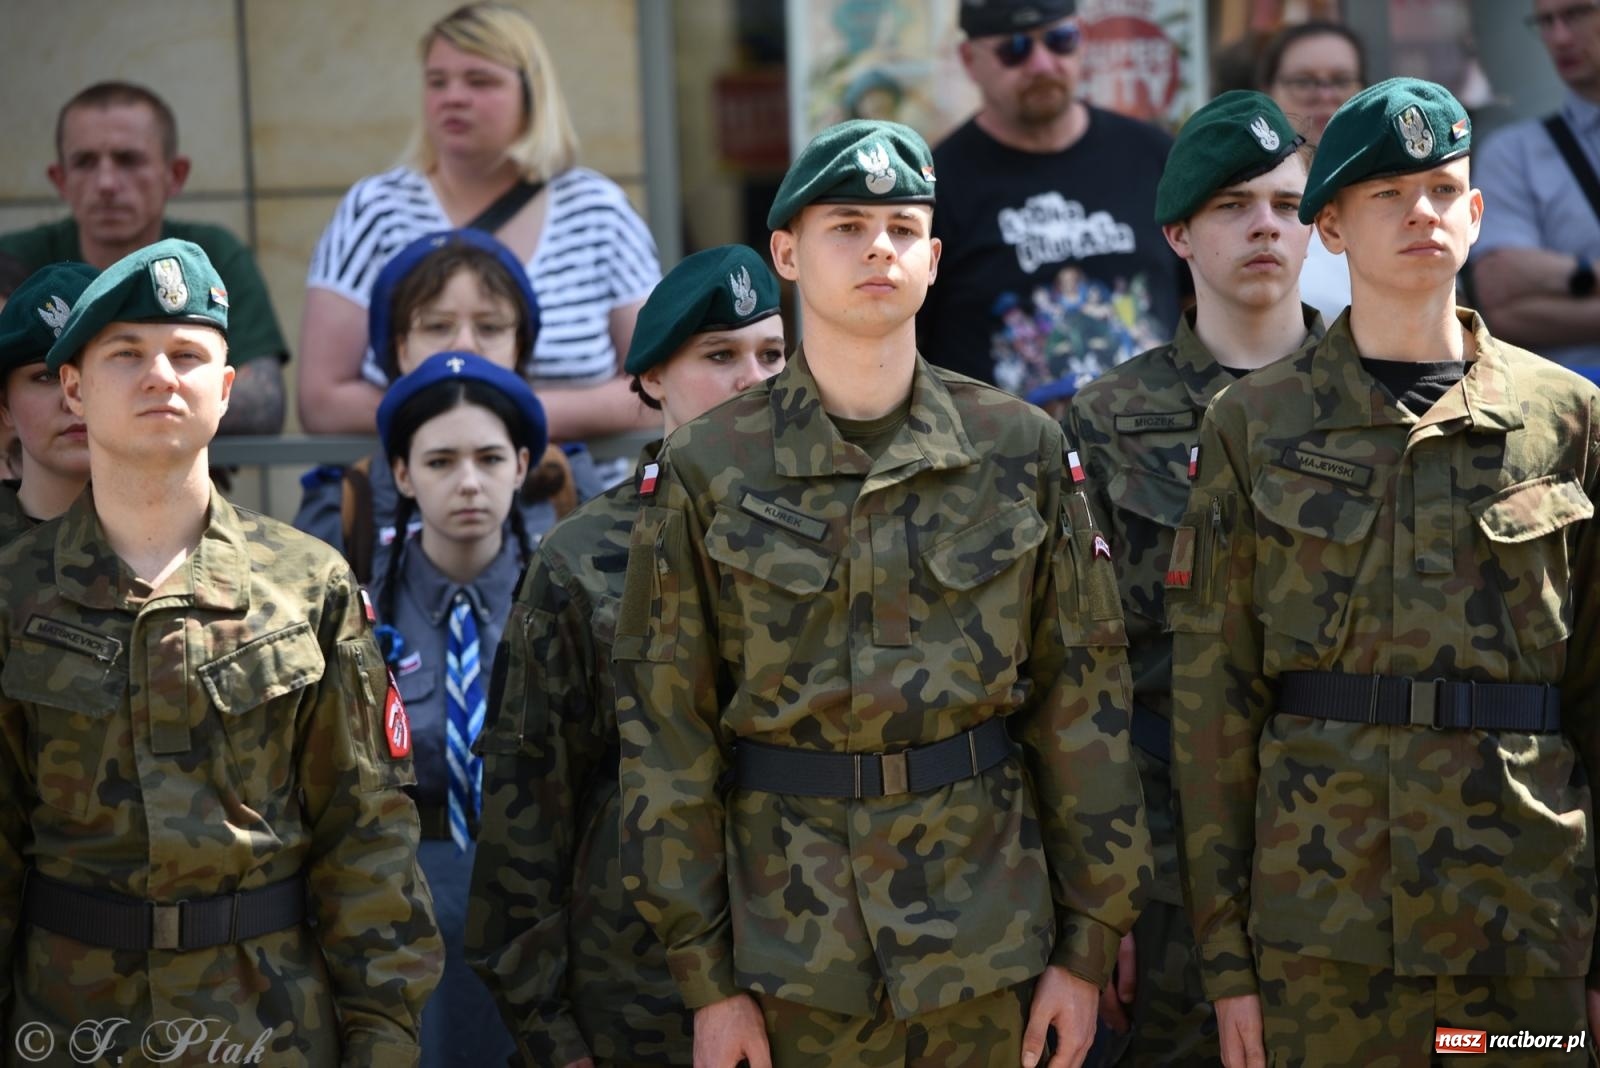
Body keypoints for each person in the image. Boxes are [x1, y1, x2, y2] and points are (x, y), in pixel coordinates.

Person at [614, 119, 1151, 1068]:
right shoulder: (707, 467)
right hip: (789, 957)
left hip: (988, 943)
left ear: (935, 259)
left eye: (903, 229)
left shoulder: (1018, 448)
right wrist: (709, 983)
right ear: (786, 251)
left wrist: (1086, 943)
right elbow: (668, 734)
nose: (878, 248)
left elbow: (1084, 706)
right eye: (847, 225)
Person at [1170, 78, 1600, 1067]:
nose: (1422, 214)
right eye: (1387, 196)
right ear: (1330, 227)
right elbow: (1213, 709)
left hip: (1521, 918)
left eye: (1444, 191)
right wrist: (1228, 970)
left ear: (1477, 214)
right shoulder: (1255, 427)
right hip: (1322, 928)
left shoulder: (1565, 419)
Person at [0, 238, 442, 1064]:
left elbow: (365, 832)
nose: (160, 376)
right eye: (125, 354)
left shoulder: (309, 586)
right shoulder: (13, 594)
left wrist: (382, 1036)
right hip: (66, 1026)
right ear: (74, 387)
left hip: (269, 1022)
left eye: (187, 354)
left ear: (226, 388)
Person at [466, 244, 785, 1067]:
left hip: (819, 985)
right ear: (649, 381)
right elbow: (524, 817)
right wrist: (550, 1035)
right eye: (720, 357)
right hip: (638, 1004)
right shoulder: (583, 559)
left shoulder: (839, 535)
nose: (754, 380)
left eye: (772, 355)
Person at [1069, 91, 1320, 1068]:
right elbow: (1077, 676)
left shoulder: (1378, 405)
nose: (1264, 224)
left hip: (1351, 848)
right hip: (1167, 867)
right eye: (1231, 206)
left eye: (1286, 203)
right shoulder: (1101, 422)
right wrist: (1102, 897)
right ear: (1177, 232)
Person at [299, 0, 661, 442]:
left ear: (532, 94)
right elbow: (321, 400)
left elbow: (653, 384)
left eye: (480, 80)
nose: (453, 96)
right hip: (415, 503)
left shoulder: (600, 212)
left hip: (577, 502)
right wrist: (461, 420)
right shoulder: (374, 210)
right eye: (437, 81)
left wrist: (506, 411)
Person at [369, 351, 547, 1067]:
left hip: (542, 917)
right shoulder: (354, 611)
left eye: (490, 458)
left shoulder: (567, 603)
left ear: (523, 465)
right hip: (408, 921)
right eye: (440, 462)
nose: (469, 482)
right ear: (404, 475)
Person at [917, 0, 1184, 399]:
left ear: (1082, 39)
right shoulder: (935, 186)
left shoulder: (1155, 157)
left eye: (1060, 41)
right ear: (969, 60)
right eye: (1015, 49)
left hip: (1153, 447)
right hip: (1003, 454)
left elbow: (1202, 301)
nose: (1042, 65)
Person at [0, 81, 288, 434]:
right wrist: (162, 410)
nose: (106, 182)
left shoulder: (213, 256)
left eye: (128, 160)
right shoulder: (12, 262)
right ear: (60, 180)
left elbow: (264, 402)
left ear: (175, 175)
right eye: (85, 162)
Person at [295, 229, 577, 581]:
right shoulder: (348, 499)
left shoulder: (567, 480)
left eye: (489, 327)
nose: (463, 345)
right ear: (400, 348)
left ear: (519, 345)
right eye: (437, 326)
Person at [1471, 0, 1600, 368]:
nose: (1558, 37)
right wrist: (1588, 272)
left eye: (1576, 14)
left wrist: (1565, 279)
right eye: (1545, 22)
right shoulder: (1514, 153)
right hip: (1580, 408)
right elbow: (1502, 305)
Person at [1260, 21, 1367, 327]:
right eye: (1304, 81)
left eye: (1341, 80)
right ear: (1267, 91)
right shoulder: (1238, 197)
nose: (1324, 95)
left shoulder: (1406, 192)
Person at [0, 262, 97, 544]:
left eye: (92, 373)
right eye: (46, 377)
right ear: (4, 405)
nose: (73, 401)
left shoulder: (197, 543)